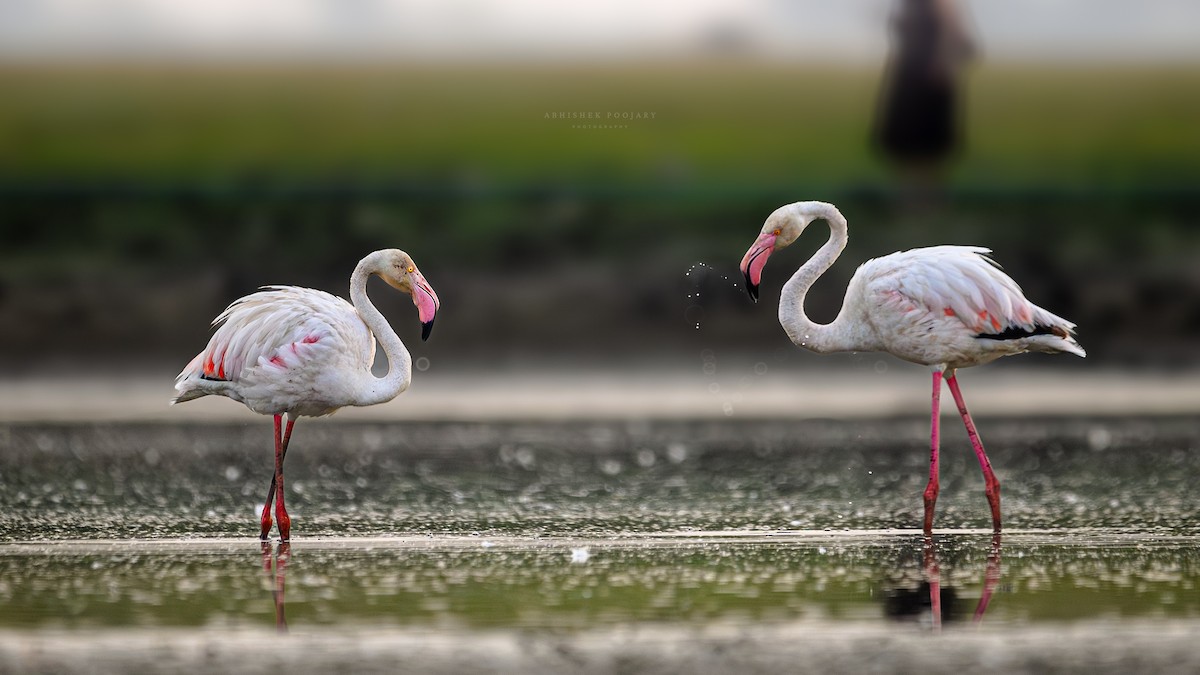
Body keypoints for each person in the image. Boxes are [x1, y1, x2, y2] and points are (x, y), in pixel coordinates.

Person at [873, 0, 977, 193]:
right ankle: (911, 197)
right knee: (906, 141)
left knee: (924, 142)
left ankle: (924, 200)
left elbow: (951, 28)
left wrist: (941, 64)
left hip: (925, 77)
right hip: (911, 72)